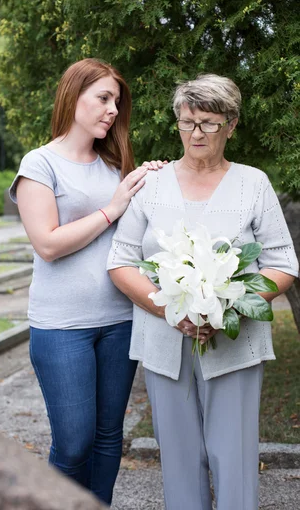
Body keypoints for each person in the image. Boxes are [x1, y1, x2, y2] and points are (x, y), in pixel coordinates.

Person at [107, 73, 299, 510]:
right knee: (177, 460)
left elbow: (283, 263)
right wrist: (171, 312)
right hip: (162, 342)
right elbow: (119, 260)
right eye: (187, 121)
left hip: (234, 341)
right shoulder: (150, 185)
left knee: (233, 459)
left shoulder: (254, 183)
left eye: (209, 123)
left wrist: (225, 307)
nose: (196, 133)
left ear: (231, 125)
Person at [9, 58, 164, 506]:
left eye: (116, 101)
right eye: (103, 98)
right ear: (73, 96)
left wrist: (153, 182)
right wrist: (112, 208)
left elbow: (139, 235)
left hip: (119, 320)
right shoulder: (39, 164)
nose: (112, 109)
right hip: (61, 327)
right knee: (74, 443)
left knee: (107, 439)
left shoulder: (116, 164)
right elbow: (49, 244)